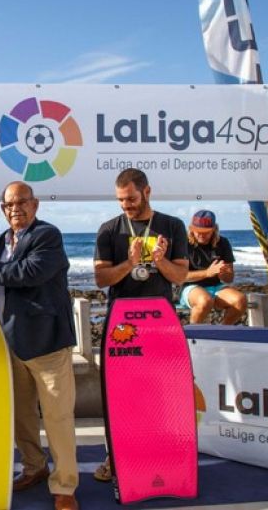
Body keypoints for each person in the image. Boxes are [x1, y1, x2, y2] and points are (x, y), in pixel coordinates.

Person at [0, 181, 79, 510]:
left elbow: (29, 272)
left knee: (57, 418)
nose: (16, 209)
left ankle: (65, 486)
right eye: (9, 204)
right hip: (10, 342)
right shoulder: (2, 241)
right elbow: (2, 285)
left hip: (47, 342)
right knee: (22, 415)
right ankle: (34, 468)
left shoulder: (47, 235)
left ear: (35, 205)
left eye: (22, 202)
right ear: (3, 209)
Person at [92, 167, 188, 482]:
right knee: (120, 395)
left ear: (147, 191)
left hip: (161, 321)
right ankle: (115, 456)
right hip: (122, 324)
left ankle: (159, 453)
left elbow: (180, 276)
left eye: (131, 199)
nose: (126, 205)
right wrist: (130, 263)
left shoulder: (172, 226)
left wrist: (159, 260)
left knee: (161, 393)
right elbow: (101, 278)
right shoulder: (109, 229)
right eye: (121, 200)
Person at [180, 210, 247, 324]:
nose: (201, 235)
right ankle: (194, 333)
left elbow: (229, 279)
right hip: (190, 287)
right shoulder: (183, 244)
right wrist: (207, 273)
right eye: (198, 231)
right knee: (205, 301)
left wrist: (224, 273)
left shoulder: (223, 243)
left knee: (240, 300)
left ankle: (222, 330)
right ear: (191, 229)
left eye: (206, 232)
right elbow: (180, 276)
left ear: (214, 229)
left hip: (216, 287)